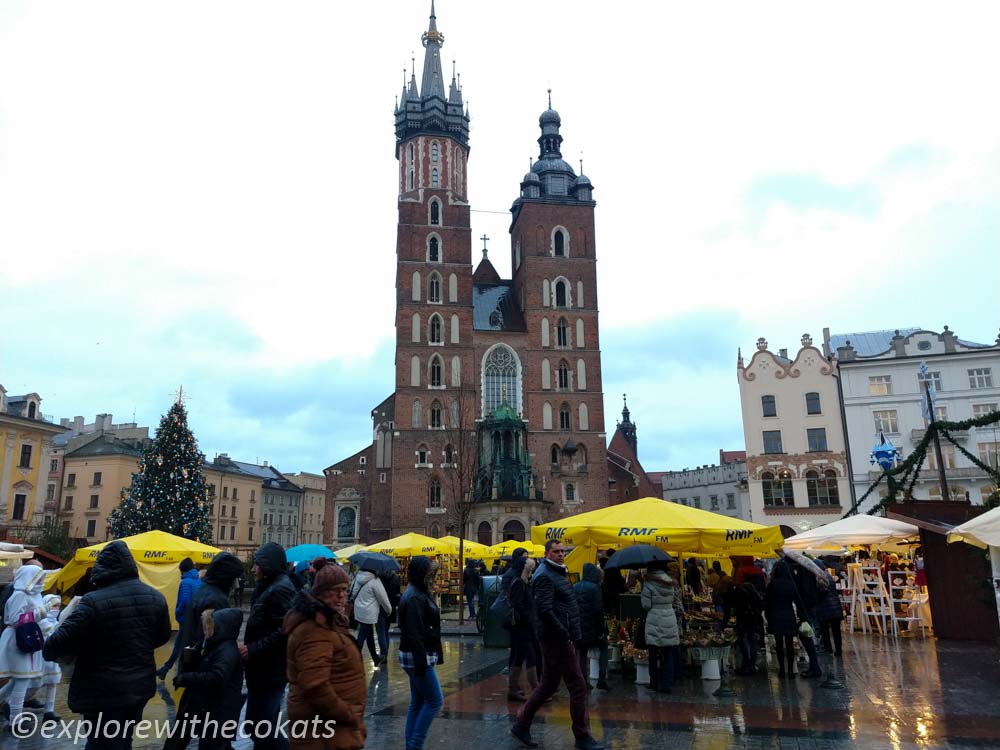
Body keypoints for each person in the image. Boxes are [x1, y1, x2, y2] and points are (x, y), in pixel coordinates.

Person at [43, 540, 171, 750]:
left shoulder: (93, 601)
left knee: (100, 743)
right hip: (139, 686)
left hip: (102, 690)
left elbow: (54, 645)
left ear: (104, 568)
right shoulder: (156, 597)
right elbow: (162, 636)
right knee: (123, 739)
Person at [510, 540, 605, 750]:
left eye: (563, 551)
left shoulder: (556, 572)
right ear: (547, 553)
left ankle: (521, 724)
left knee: (549, 684)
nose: (561, 554)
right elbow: (544, 608)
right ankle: (582, 736)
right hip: (556, 638)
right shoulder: (545, 575)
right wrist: (563, 631)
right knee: (578, 687)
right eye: (556, 551)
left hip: (554, 636)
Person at [285, 563, 366, 750]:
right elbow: (315, 685)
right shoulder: (315, 629)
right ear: (320, 593)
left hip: (330, 730)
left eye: (344, 590)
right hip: (322, 731)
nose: (341, 596)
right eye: (334, 591)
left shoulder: (329, 621)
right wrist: (347, 715)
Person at [242, 542, 296, 750]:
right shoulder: (269, 586)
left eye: (257, 564)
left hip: (270, 670)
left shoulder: (280, 588)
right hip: (263, 668)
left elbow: (284, 630)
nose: (254, 569)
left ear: (268, 565)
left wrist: (253, 648)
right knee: (259, 726)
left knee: (262, 728)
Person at [172, 608, 245, 750]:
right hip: (209, 708)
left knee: (213, 744)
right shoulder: (215, 645)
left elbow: (217, 677)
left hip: (218, 712)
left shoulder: (226, 650)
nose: (204, 632)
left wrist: (187, 678)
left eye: (208, 628)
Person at [398, 556, 444, 750]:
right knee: (435, 700)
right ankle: (415, 745)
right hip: (418, 656)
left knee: (417, 702)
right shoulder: (415, 596)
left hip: (415, 654)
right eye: (430, 573)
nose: (432, 577)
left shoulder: (416, 593)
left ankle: (411, 744)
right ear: (422, 574)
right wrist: (421, 661)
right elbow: (415, 633)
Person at [0, 564, 49, 730]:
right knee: (22, 679)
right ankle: (15, 720)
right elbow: (15, 619)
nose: (42, 581)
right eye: (39, 578)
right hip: (18, 641)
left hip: (28, 641)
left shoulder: (35, 595)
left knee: (19, 680)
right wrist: (41, 612)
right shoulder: (19, 595)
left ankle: (10, 712)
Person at [641, 560, 683, 694]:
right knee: (668, 653)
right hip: (669, 617)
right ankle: (667, 684)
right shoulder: (670, 582)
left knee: (653, 653)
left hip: (654, 618)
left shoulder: (648, 583)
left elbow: (646, 605)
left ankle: (654, 682)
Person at [157, 557, 202, 679]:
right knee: (182, 646)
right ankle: (165, 670)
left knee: (181, 647)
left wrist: (178, 613)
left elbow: (184, 602)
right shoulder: (199, 581)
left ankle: (181, 674)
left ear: (183, 570)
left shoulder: (186, 582)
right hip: (195, 620)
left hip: (186, 620)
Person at [764, 559, 808, 678]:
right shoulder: (791, 584)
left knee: (779, 644)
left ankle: (782, 669)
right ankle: (790, 670)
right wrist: (801, 617)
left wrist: (768, 617)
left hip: (776, 615)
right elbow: (798, 601)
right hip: (789, 615)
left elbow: (767, 602)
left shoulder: (772, 584)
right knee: (789, 644)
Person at [507, 557, 540, 700]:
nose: (531, 572)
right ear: (524, 569)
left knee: (519, 657)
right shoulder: (519, 583)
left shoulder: (524, 583)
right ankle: (537, 690)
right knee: (530, 656)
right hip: (522, 628)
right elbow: (517, 604)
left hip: (525, 627)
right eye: (530, 570)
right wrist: (528, 616)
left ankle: (512, 690)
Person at [573, 563, 609, 691]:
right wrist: (601, 631)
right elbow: (598, 610)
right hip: (593, 627)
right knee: (604, 648)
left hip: (579, 627)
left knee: (582, 653)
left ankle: (583, 680)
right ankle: (601, 679)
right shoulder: (595, 588)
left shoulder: (575, 586)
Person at [350, 567, 391, 665]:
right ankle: (354, 659)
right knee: (362, 635)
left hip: (358, 611)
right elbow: (383, 598)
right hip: (369, 613)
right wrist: (389, 610)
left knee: (369, 635)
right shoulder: (375, 581)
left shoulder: (357, 578)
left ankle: (375, 658)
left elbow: (352, 593)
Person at [725, 582, 764, 675]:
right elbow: (761, 606)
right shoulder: (755, 595)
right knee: (752, 641)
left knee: (742, 640)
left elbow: (735, 608)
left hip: (742, 620)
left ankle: (746, 662)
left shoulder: (740, 594)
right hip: (753, 621)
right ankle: (751, 664)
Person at [815, 569, 844, 656]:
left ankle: (828, 649)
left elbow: (821, 593)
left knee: (825, 630)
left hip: (825, 608)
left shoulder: (819, 578)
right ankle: (838, 650)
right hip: (836, 607)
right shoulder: (830, 577)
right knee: (836, 631)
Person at [377, 568, 401, 666]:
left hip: (380, 607)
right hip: (391, 607)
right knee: (386, 631)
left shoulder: (378, 578)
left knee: (380, 631)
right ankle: (385, 653)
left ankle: (383, 654)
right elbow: (397, 593)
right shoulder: (395, 578)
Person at [600, 553, 626, 621]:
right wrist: (624, 588)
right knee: (616, 610)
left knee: (608, 611)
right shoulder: (614, 568)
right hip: (615, 593)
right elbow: (619, 581)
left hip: (606, 593)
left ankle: (610, 625)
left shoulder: (604, 570)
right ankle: (615, 624)